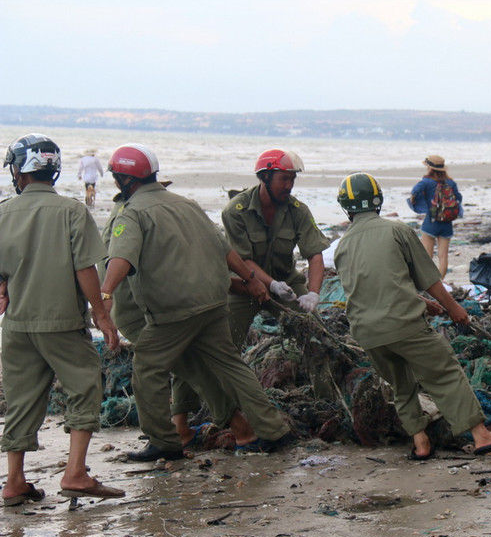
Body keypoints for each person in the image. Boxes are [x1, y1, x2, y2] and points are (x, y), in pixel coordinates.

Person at [99, 143, 292, 461]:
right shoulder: (187, 205)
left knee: (147, 369)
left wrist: (105, 296)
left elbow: (120, 257)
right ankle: (274, 430)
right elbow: (225, 249)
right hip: (214, 302)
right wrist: (250, 279)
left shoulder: (131, 213)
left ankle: (164, 441)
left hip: (174, 310)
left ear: (122, 180)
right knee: (231, 366)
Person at [334, 172, 491, 459]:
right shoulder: (396, 231)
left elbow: (367, 288)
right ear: (378, 200)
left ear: (346, 207)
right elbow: (430, 278)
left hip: (367, 332)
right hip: (404, 324)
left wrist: (419, 301)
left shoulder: (342, 246)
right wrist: (454, 308)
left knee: (400, 385)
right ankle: (482, 436)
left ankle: (420, 443)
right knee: (443, 373)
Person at [0, 133, 124, 505]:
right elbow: (85, 268)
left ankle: (15, 481)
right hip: (62, 323)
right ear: (52, 171)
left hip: (17, 324)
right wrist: (101, 315)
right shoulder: (71, 211)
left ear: (20, 172)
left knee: (21, 399)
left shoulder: (3, 212)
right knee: (84, 387)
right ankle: (75, 473)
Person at [101, 184, 258, 450]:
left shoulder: (144, 213)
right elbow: (120, 267)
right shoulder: (128, 218)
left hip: (168, 309)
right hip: (144, 314)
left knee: (187, 367)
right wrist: (104, 302)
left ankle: (180, 429)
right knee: (192, 369)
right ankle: (237, 427)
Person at [222, 149, 331, 349]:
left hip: (288, 285)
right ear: (265, 177)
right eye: (283, 179)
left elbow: (315, 255)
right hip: (245, 285)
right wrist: (272, 285)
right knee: (225, 346)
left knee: (319, 340)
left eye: (292, 179)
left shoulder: (298, 211)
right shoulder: (235, 211)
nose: (289, 186)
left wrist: (313, 293)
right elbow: (242, 259)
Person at [409, 155, 462, 279]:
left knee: (427, 256)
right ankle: (441, 282)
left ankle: (428, 282)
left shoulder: (427, 182)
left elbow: (414, 192)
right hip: (447, 224)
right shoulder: (451, 183)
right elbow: (458, 198)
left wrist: (421, 204)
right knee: (443, 256)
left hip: (431, 223)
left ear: (430, 168)